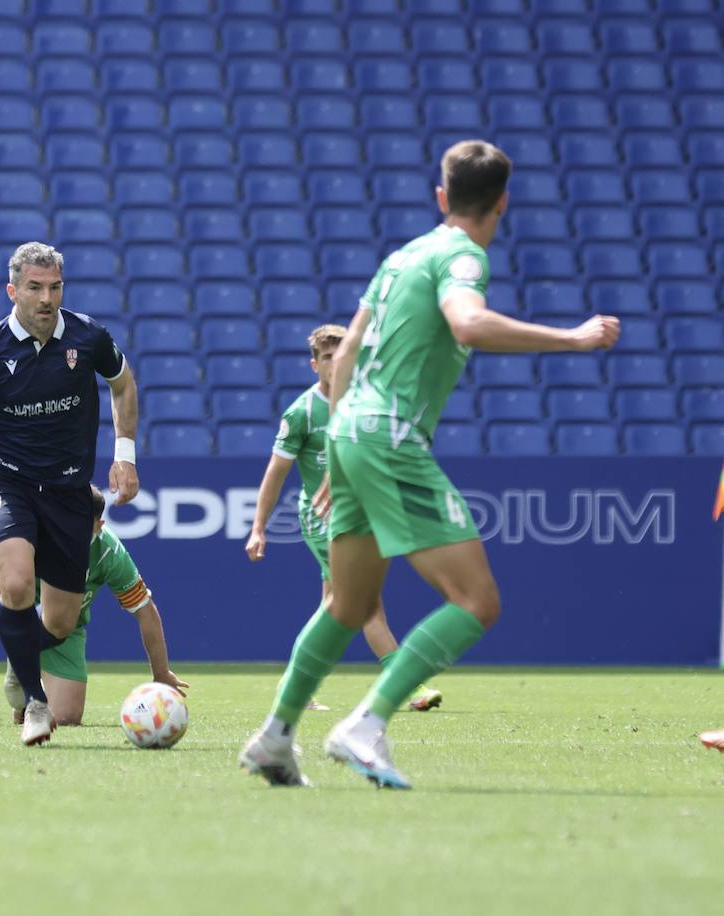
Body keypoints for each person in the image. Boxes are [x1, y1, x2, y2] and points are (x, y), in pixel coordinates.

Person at [238, 140, 620, 789]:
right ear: (501, 202)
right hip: (389, 438)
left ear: (442, 197)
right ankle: (367, 723)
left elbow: (352, 345)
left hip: (354, 433)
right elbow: (467, 325)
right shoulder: (461, 255)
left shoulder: (402, 256)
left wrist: (339, 452)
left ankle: (274, 739)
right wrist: (574, 337)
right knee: (477, 600)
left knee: (349, 604)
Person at [0, 241, 140, 746]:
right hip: (9, 482)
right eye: (35, 287)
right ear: (13, 290)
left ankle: (18, 658)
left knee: (62, 621)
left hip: (69, 491)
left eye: (55, 287)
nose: (47, 297)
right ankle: (34, 702)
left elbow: (124, 385)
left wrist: (125, 455)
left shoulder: (89, 338)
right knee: (18, 587)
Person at [245, 324, 443, 713]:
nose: (337, 365)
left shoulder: (361, 405)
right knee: (365, 602)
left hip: (358, 515)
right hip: (323, 520)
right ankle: (406, 684)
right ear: (315, 364)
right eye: (329, 359)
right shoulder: (302, 412)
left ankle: (294, 682)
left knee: (334, 607)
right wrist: (258, 528)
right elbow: (275, 473)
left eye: (343, 357)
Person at [0, 486, 188, 725]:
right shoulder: (35, 525)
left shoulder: (109, 553)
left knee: (66, 718)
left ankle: (21, 683)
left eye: (82, 523)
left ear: (99, 526)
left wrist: (161, 672)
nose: (72, 528)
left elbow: (145, 611)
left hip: (64, 627)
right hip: (16, 608)